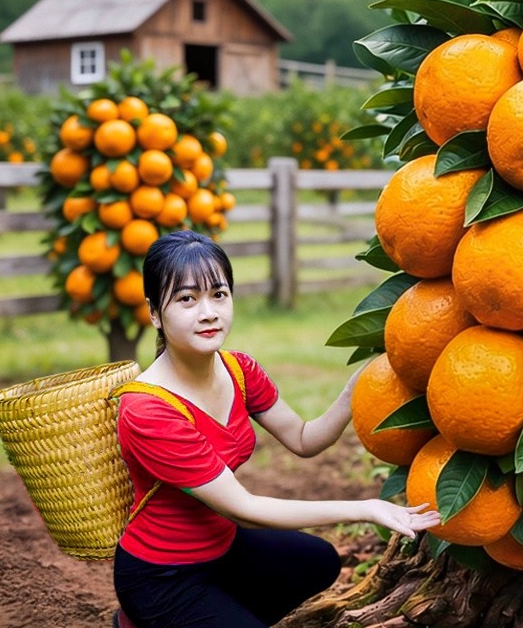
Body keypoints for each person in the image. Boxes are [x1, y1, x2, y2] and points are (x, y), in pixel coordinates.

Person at [112, 230, 439, 628]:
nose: (209, 312)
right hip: (163, 575)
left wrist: (357, 389)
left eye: (219, 294)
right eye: (186, 299)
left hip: (224, 548)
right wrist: (366, 508)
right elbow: (245, 510)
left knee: (317, 562)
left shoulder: (239, 370)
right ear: (153, 312)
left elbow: (304, 439)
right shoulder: (147, 410)